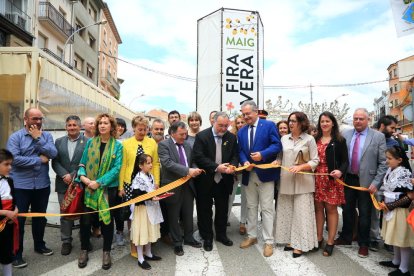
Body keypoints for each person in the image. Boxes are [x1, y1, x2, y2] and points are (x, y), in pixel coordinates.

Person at [7, 107, 57, 268]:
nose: (38, 122)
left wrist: (38, 139)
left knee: (40, 218)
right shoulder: (15, 137)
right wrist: (39, 160)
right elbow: (14, 159)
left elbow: (53, 153)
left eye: (40, 119)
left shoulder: (46, 136)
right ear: (25, 119)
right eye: (34, 119)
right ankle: (16, 253)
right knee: (18, 221)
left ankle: (39, 245)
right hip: (21, 186)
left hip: (42, 185)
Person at [335, 108, 387, 258]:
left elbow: (383, 163)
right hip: (348, 179)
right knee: (347, 210)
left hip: (367, 182)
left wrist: (376, 183)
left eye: (361, 119)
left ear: (368, 120)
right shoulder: (346, 134)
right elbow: (341, 157)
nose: (358, 121)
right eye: (355, 118)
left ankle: (364, 243)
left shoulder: (378, 137)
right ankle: (346, 237)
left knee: (365, 214)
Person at [76, 113, 123, 270]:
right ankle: (84, 249)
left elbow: (117, 169)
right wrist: (83, 178)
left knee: (107, 222)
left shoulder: (117, 146)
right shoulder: (90, 143)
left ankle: (106, 251)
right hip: (89, 188)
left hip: (107, 190)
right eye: (100, 123)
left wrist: (99, 182)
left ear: (112, 127)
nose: (102, 125)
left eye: (106, 123)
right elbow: (82, 164)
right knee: (86, 221)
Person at [238, 101, 282, 257]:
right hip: (249, 174)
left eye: (248, 113)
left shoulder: (269, 125)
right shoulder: (241, 131)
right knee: (251, 206)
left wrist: (262, 154)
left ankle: (269, 241)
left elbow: (277, 146)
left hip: (266, 175)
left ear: (256, 112)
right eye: (243, 114)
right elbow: (241, 151)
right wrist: (245, 162)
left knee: (267, 208)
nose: (245, 116)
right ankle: (252, 236)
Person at [273, 111, 319, 258]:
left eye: (294, 121)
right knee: (286, 212)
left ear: (301, 123)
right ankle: (289, 241)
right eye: (289, 121)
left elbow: (315, 160)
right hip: (286, 180)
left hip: (303, 182)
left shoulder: (310, 139)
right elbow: (280, 156)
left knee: (301, 214)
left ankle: (300, 245)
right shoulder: (283, 139)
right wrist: (277, 162)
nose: (290, 123)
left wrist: (301, 167)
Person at [192, 112, 238, 251]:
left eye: (226, 126)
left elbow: (235, 155)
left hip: (224, 180)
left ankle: (221, 235)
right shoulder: (202, 136)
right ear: (213, 122)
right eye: (220, 125)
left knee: (222, 209)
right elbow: (198, 157)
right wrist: (217, 167)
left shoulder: (231, 137)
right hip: (206, 180)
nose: (223, 129)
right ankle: (207, 237)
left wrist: (232, 166)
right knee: (204, 210)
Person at [158, 122, 203, 256]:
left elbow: (192, 161)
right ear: (172, 133)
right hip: (172, 185)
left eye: (186, 134)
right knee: (173, 215)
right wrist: (188, 170)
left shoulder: (188, 145)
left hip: (188, 186)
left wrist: (194, 168)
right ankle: (177, 243)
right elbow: (167, 163)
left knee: (188, 213)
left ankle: (189, 238)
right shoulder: (163, 145)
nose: (185, 136)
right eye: (181, 134)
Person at [119, 115, 160, 255]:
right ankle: (134, 243)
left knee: (148, 213)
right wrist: (121, 187)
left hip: (148, 183)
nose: (142, 132)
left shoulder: (152, 143)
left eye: (145, 129)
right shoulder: (126, 143)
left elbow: (155, 164)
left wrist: (157, 183)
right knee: (133, 214)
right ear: (134, 128)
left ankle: (147, 241)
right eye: (139, 129)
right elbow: (123, 165)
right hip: (131, 184)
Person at [51, 115, 88, 255]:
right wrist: (64, 175)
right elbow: (55, 162)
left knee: (84, 213)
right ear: (66, 127)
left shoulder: (88, 142)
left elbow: (87, 163)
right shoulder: (59, 141)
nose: (72, 127)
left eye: (75, 125)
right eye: (69, 125)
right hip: (63, 183)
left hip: (80, 184)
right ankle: (66, 241)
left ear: (80, 127)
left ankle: (85, 239)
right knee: (65, 213)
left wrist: (72, 175)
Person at [314, 111, 348, 256]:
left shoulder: (339, 140)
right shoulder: (314, 139)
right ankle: (319, 237)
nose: (325, 124)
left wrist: (340, 171)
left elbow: (345, 161)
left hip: (332, 179)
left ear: (333, 123)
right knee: (318, 209)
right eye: (322, 121)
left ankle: (330, 241)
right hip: (316, 178)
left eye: (327, 121)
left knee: (331, 210)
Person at [379, 146, 414, 276]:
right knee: (395, 236)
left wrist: (393, 205)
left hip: (400, 210)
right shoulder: (391, 170)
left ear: (399, 160)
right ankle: (396, 261)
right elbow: (388, 189)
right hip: (389, 207)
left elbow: (410, 195)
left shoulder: (404, 172)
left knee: (402, 238)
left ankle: (404, 269)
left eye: (389, 158)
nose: (387, 161)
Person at [130, 154, 163, 270]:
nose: (150, 165)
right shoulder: (138, 178)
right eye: (148, 163)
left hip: (151, 208)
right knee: (142, 232)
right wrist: (150, 197)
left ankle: (148, 253)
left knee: (149, 230)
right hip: (142, 210)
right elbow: (137, 195)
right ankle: (140, 258)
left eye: (151, 163)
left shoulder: (150, 176)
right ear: (140, 165)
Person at [371, 114, 399, 252]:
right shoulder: (369, 139)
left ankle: (389, 239)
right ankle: (374, 239)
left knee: (390, 212)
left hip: (390, 184)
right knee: (374, 213)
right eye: (392, 128)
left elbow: (400, 162)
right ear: (382, 126)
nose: (394, 131)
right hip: (374, 182)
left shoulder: (393, 143)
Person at [0, 149, 18, 276]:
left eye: (11, 164)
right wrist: (6, 212)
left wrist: (15, 210)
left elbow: (13, 198)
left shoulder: (10, 180)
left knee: (7, 250)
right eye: (6, 164)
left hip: (8, 223)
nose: (10, 167)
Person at [229, 115, 248, 235]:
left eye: (242, 122)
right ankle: (225, 220)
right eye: (238, 123)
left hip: (246, 170)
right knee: (229, 197)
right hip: (234, 171)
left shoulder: (248, 135)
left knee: (245, 198)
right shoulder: (231, 137)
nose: (240, 124)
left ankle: (242, 222)